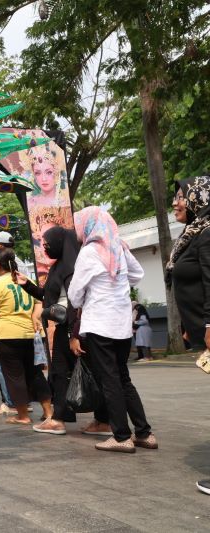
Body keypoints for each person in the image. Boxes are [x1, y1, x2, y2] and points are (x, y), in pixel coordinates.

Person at [68, 206, 156, 453]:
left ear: (88, 226)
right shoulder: (119, 247)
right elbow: (137, 274)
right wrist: (116, 281)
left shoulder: (89, 252)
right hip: (122, 326)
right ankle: (144, 433)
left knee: (109, 380)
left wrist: (92, 293)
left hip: (100, 324)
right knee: (123, 378)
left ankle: (121, 437)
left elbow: (74, 296)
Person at [16, 226, 111, 436]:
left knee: (62, 373)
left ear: (60, 243)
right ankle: (102, 420)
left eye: (47, 244)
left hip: (73, 328)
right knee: (83, 372)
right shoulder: (61, 266)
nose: (45, 248)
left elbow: (75, 302)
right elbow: (48, 295)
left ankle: (59, 419)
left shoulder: (69, 268)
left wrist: (72, 334)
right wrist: (27, 285)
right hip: (74, 328)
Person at [165, 177, 210, 492]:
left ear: (198, 197)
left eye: (181, 196)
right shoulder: (195, 233)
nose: (175, 202)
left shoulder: (207, 234)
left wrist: (208, 324)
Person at [0, 248, 54, 426]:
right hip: (31, 334)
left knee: (14, 376)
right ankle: (48, 412)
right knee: (36, 374)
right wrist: (35, 317)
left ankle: (23, 415)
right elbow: (39, 302)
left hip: (8, 335)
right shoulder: (26, 280)